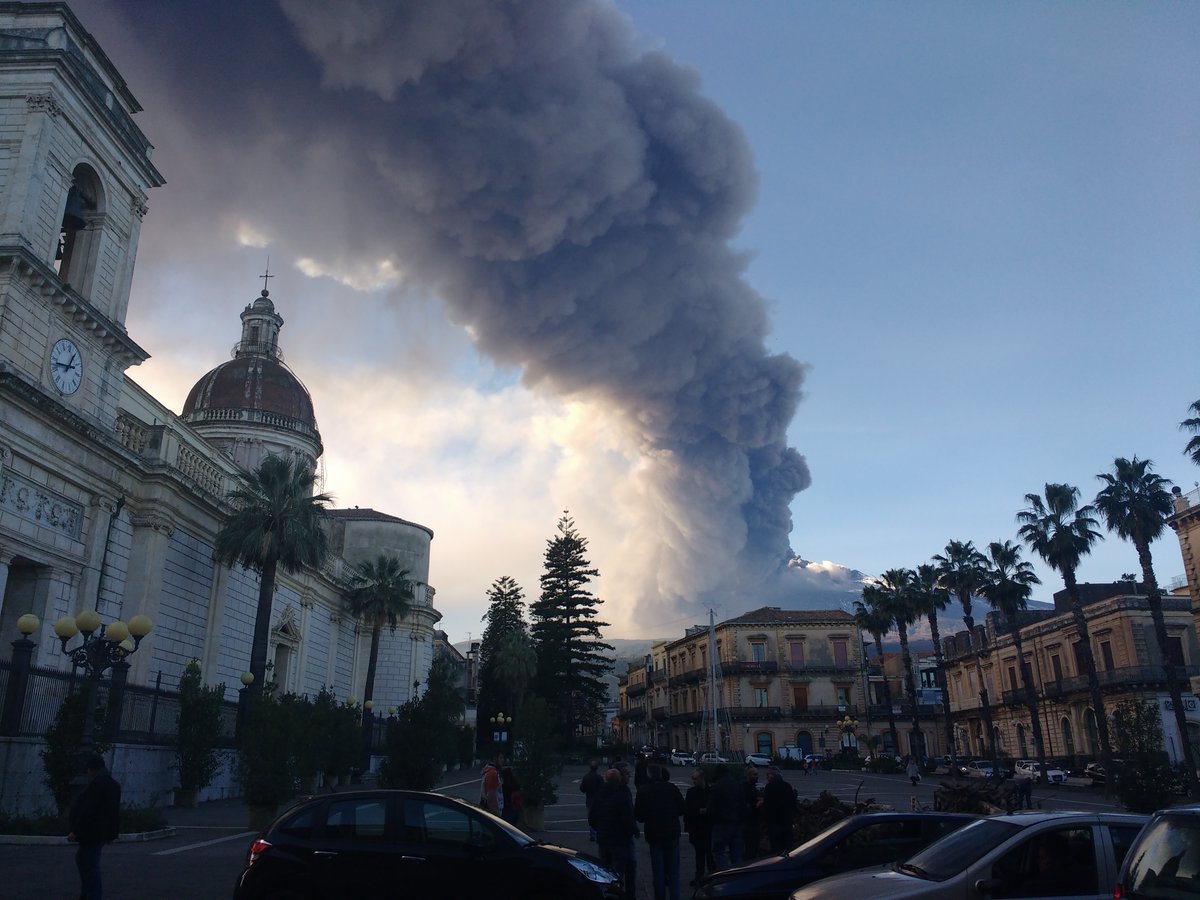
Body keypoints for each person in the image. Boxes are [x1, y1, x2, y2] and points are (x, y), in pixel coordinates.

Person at [68, 751, 121, 900]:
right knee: (88, 862)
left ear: (92, 769)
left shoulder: (97, 785)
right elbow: (113, 813)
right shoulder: (113, 784)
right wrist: (112, 833)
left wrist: (76, 831)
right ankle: (88, 894)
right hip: (100, 832)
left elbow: (88, 811)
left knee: (88, 864)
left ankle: (91, 895)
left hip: (92, 832)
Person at [635, 764, 686, 900]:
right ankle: (675, 896)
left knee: (658, 869)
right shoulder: (671, 788)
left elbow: (639, 816)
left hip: (654, 833)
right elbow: (682, 808)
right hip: (671, 832)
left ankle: (660, 896)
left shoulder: (644, 791)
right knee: (673, 869)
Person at [589, 768, 638, 898]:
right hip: (619, 841)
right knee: (619, 873)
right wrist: (632, 831)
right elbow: (627, 818)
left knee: (605, 872)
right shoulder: (620, 796)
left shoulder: (599, 795)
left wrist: (600, 829)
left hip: (604, 839)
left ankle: (607, 895)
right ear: (618, 780)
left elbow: (591, 817)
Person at [707, 764, 743, 870]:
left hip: (721, 824)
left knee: (719, 852)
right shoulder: (737, 785)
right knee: (736, 853)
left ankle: (724, 876)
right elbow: (743, 804)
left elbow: (711, 809)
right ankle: (736, 876)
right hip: (736, 823)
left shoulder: (716, 787)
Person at [684, 767, 713, 887]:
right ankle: (699, 877)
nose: (694, 781)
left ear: (702, 778)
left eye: (695, 779)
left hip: (708, 828)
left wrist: (706, 811)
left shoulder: (711, 791)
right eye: (693, 778)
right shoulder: (691, 792)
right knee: (699, 856)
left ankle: (712, 877)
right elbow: (687, 810)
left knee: (710, 856)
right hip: (697, 828)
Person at [762, 765, 798, 855]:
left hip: (774, 823)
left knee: (776, 848)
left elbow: (767, 806)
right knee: (787, 848)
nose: (766, 777)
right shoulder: (787, 786)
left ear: (772, 775)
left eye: (768, 775)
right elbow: (793, 803)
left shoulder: (769, 787)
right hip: (787, 822)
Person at [741, 765, 763, 861]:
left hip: (753, 823)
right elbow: (745, 806)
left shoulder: (750, 787)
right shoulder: (745, 788)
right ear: (748, 775)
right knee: (750, 849)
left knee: (753, 849)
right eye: (755, 774)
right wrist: (756, 804)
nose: (757, 776)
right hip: (749, 824)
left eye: (757, 774)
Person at [580, 759, 605, 841]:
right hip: (598, 799)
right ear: (597, 768)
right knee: (599, 817)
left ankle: (592, 834)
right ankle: (598, 833)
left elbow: (582, 789)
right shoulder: (599, 777)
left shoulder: (586, 777)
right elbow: (603, 788)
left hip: (589, 798)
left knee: (591, 817)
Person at [480, 751, 504, 815]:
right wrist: (496, 814)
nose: (503, 760)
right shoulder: (492, 773)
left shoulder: (491, 771)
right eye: (501, 758)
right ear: (495, 759)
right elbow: (491, 797)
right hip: (493, 812)